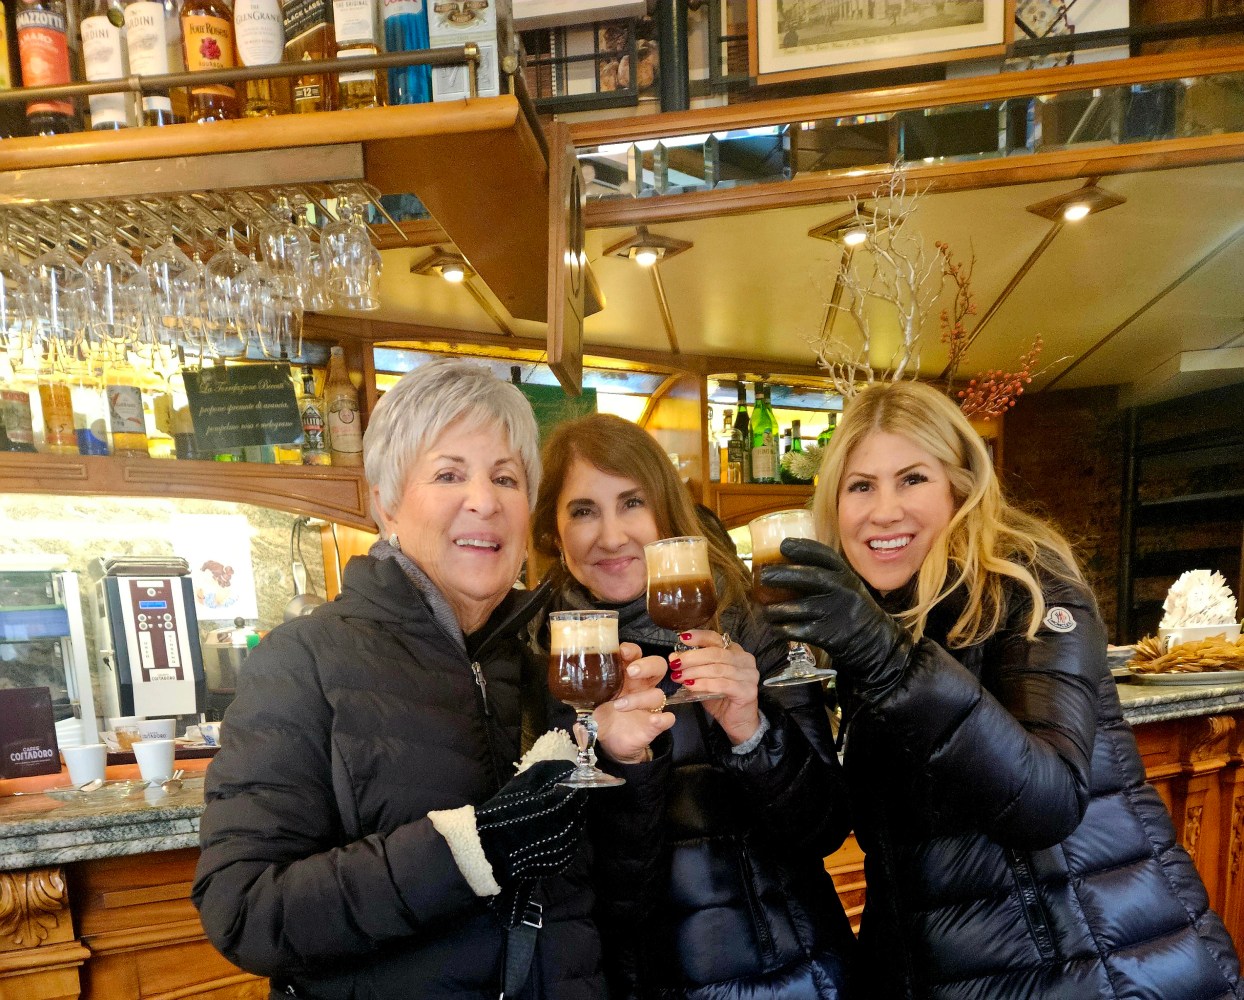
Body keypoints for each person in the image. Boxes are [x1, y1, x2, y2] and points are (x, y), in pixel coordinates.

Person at [763, 379, 1243, 999]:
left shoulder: (1031, 589)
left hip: (1090, 963)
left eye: (912, 479)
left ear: (962, 485)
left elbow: (1047, 800)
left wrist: (884, 656)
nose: (883, 510)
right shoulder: (882, 617)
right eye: (861, 486)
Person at [193, 359, 607, 1000]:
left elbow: (599, 891)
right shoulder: (304, 660)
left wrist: (635, 760)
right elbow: (243, 909)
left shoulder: (550, 659)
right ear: (386, 502)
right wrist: (470, 849)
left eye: (506, 477)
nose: (485, 500)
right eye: (449, 474)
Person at [530, 412, 856, 1000]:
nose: (611, 535)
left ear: (667, 512)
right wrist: (623, 765)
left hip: (801, 972)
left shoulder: (750, 627)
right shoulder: (548, 663)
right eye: (583, 510)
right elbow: (576, 894)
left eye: (632, 503)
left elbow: (824, 829)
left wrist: (752, 730)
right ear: (553, 531)